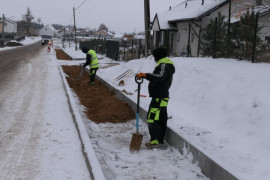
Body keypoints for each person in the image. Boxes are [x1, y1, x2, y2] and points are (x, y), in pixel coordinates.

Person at [136, 47, 175, 148]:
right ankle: (160, 139)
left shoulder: (163, 65)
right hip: (161, 96)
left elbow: (159, 77)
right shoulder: (165, 64)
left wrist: (145, 75)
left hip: (159, 97)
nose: (154, 58)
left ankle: (155, 140)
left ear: (157, 56)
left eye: (154, 56)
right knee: (161, 118)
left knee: (152, 118)